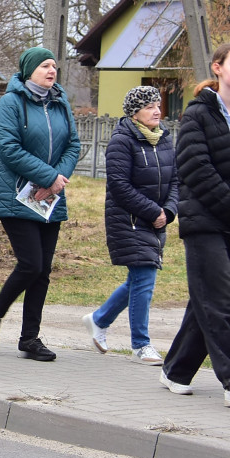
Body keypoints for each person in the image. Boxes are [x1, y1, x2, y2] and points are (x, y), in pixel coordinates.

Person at [0, 47, 81, 361]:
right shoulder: (11, 103)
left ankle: (30, 338)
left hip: (49, 198)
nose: (51, 71)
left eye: (54, 66)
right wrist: (48, 176)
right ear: (29, 71)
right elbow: (9, 149)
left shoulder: (60, 102)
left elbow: (73, 145)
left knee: (43, 271)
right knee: (31, 264)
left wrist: (56, 179)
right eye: (44, 66)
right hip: (17, 195)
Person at [84, 86, 177, 366]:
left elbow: (176, 180)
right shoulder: (122, 141)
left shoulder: (164, 139)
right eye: (149, 107)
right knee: (145, 278)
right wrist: (153, 211)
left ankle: (99, 319)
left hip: (156, 221)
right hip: (130, 221)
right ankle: (141, 344)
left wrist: (168, 211)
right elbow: (120, 186)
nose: (157, 111)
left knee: (138, 280)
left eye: (157, 105)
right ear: (134, 113)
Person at [160, 44, 230, 408]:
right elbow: (196, 169)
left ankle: (175, 370)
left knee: (204, 301)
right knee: (219, 301)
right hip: (204, 221)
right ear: (218, 67)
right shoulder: (198, 113)